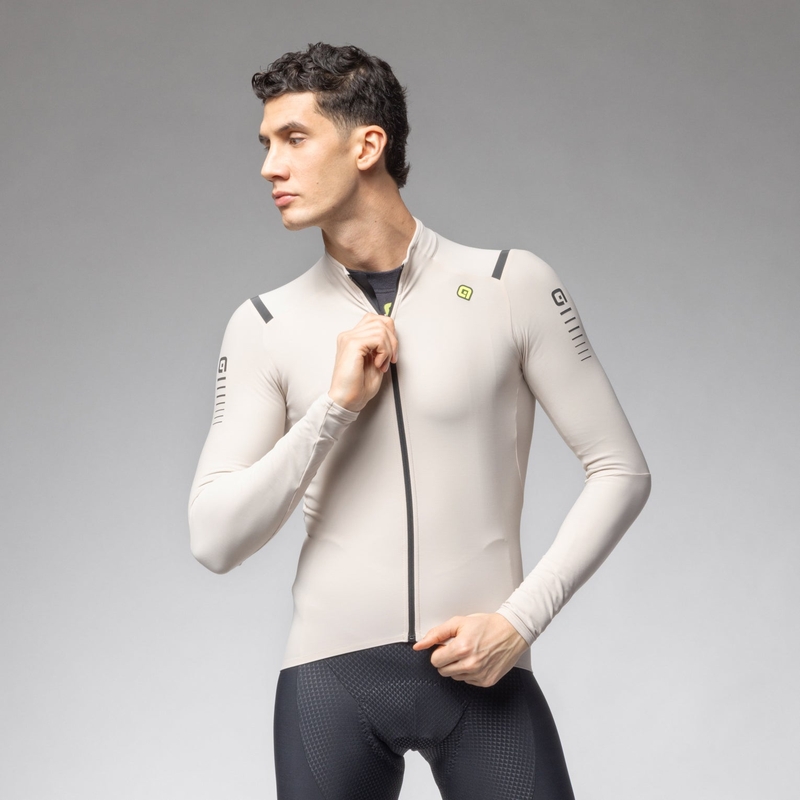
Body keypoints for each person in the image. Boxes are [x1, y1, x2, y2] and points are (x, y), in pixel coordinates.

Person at [188, 42, 651, 800]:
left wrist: (518, 622)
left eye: (293, 139)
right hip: (329, 687)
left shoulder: (508, 285)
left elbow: (621, 471)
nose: (269, 167)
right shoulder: (264, 324)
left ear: (367, 144)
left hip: (483, 670)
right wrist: (333, 410)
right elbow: (214, 539)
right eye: (265, 143)